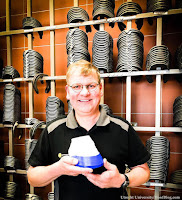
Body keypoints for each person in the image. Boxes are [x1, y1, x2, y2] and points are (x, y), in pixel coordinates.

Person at [27, 60, 150, 200]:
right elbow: (32, 178)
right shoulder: (53, 130)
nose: (84, 93)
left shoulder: (122, 128)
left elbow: (143, 171)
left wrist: (122, 179)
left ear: (100, 89)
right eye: (77, 86)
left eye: (91, 86)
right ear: (68, 91)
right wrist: (58, 169)